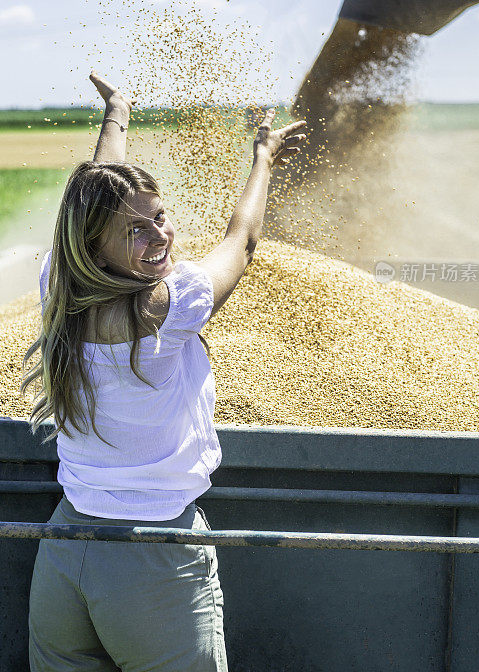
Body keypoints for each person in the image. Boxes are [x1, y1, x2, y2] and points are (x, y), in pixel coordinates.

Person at [22, 71, 307, 672]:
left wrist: (118, 115)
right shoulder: (166, 308)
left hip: (65, 548)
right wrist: (263, 159)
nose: (161, 234)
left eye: (160, 216)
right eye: (138, 229)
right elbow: (244, 240)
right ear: (98, 244)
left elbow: (93, 199)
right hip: (153, 561)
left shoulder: (58, 284)